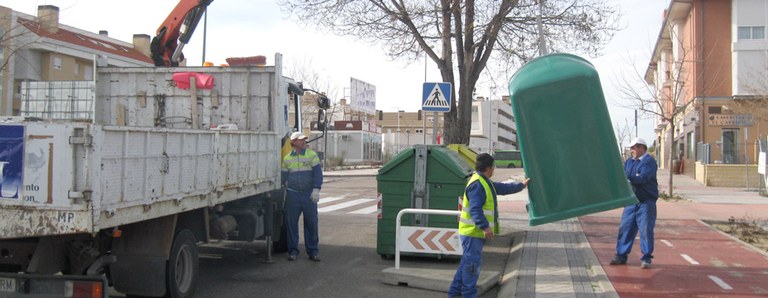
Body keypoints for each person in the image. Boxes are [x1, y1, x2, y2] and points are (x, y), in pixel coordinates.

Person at [449, 153, 530, 298]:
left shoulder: (484, 181)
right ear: (488, 168)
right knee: (471, 268)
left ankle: (454, 294)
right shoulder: (478, 184)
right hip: (472, 234)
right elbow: (475, 209)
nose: (494, 169)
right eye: (493, 166)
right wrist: (485, 227)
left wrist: (521, 185)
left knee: (466, 267)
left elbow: (502, 188)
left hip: (472, 234)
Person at [611, 137, 659, 269]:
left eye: (633, 148)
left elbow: (643, 178)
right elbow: (623, 176)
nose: (631, 150)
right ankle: (621, 255)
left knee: (645, 230)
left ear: (641, 148)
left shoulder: (649, 162)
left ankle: (646, 258)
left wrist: (628, 178)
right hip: (631, 202)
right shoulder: (629, 162)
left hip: (645, 202)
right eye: (631, 148)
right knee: (625, 228)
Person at [281, 132, 323, 262]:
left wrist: (316, 189)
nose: (304, 141)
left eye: (304, 139)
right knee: (291, 224)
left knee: (311, 223)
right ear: (293, 142)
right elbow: (284, 177)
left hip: (308, 195)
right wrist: (285, 186)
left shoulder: (312, 155)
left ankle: (313, 251)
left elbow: (318, 174)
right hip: (293, 195)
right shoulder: (287, 158)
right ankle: (293, 251)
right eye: (301, 140)